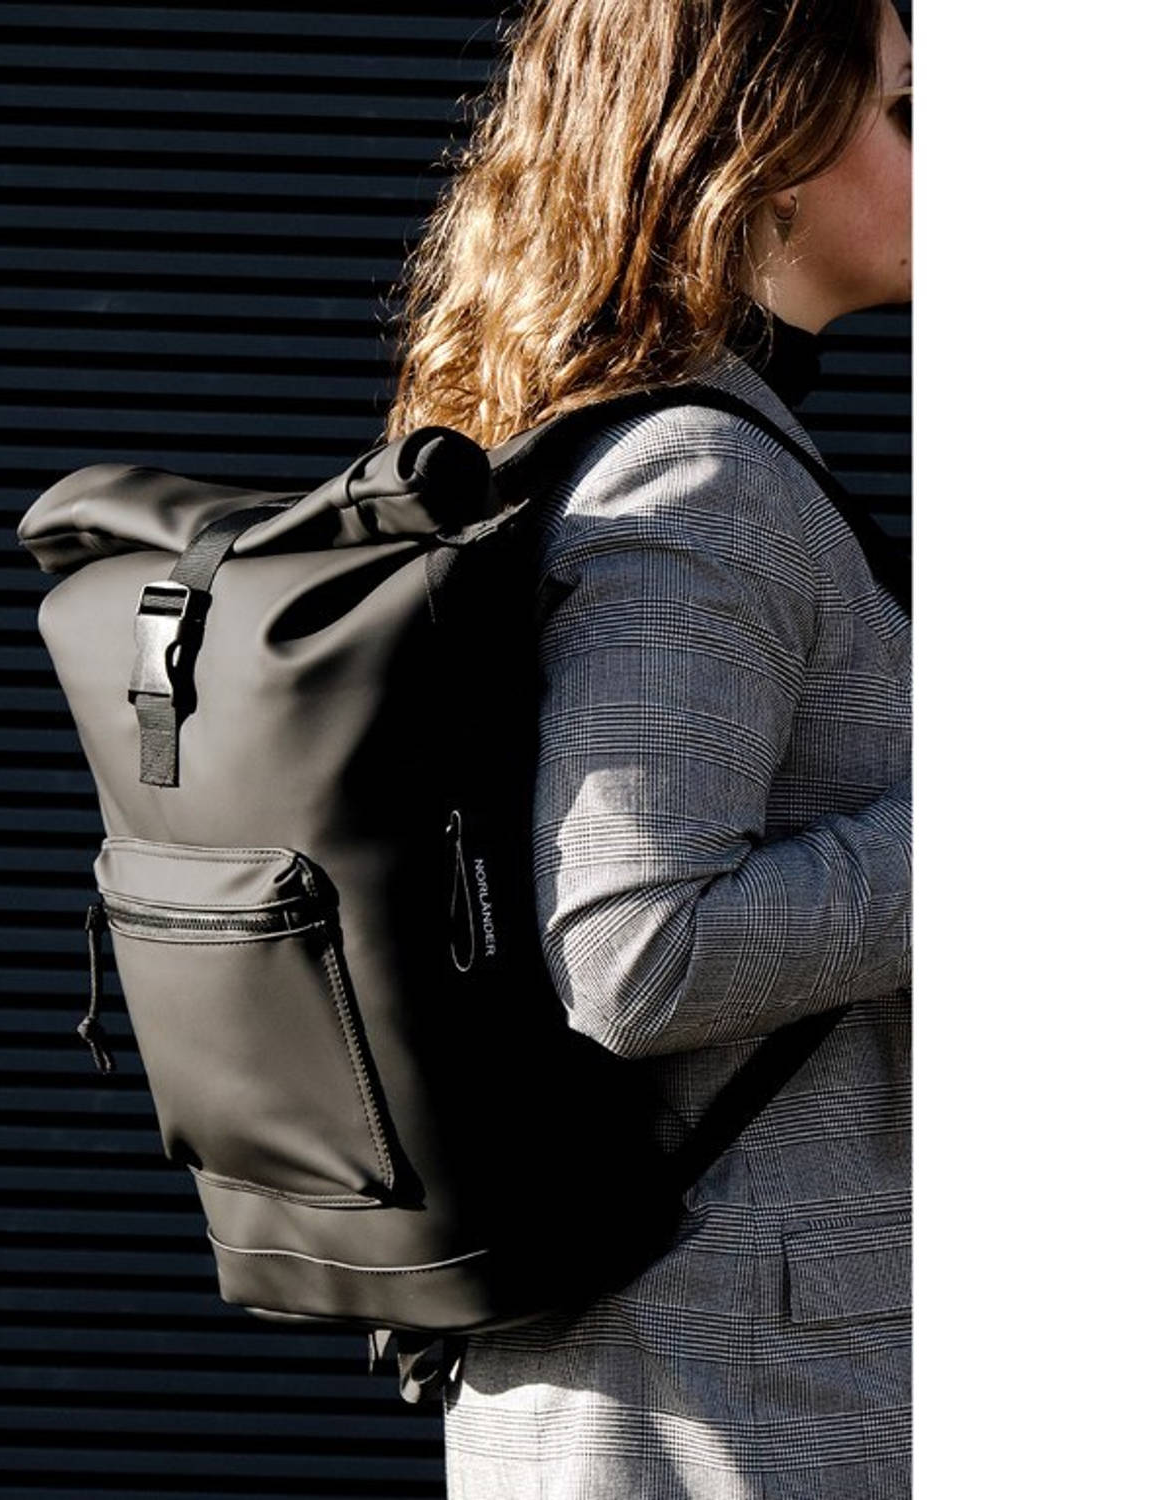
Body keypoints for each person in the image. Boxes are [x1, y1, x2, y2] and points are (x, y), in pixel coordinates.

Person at [384, 1, 913, 1495]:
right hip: (734, 1397)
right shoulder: (697, 479)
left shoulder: (606, 439)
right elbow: (638, 952)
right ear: (763, 143)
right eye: (905, 110)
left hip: (691, 1373)